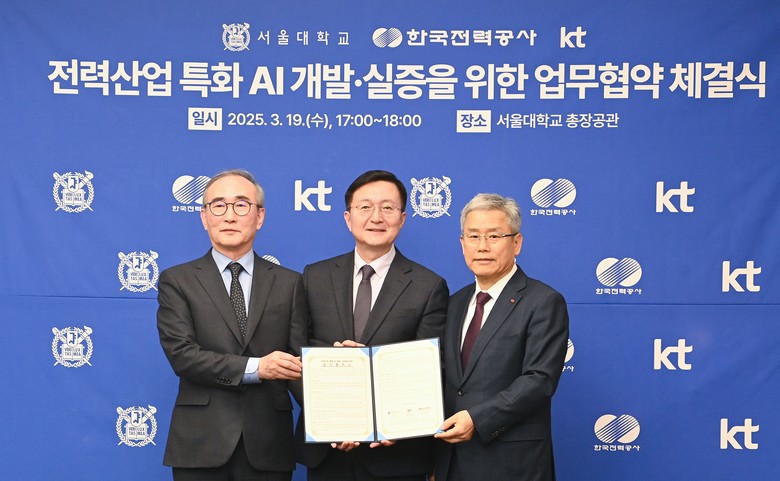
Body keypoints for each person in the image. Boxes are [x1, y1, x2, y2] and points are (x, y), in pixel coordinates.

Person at [295, 170, 449, 481]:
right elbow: (296, 352)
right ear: (348, 217)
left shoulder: (428, 286)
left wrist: (395, 424)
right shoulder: (315, 277)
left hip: (396, 456)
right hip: (329, 451)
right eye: (365, 207)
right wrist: (332, 420)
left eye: (388, 208)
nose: (376, 217)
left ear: (402, 219)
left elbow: (431, 370)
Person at [157, 169, 307, 481]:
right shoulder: (178, 280)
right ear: (204, 217)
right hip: (200, 444)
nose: (229, 216)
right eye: (218, 205)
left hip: (269, 445)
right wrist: (257, 367)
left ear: (259, 216)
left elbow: (298, 364)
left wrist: (340, 421)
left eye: (241, 205)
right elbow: (183, 356)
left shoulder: (290, 283)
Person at [434, 193, 569, 481]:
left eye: (494, 236)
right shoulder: (454, 302)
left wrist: (476, 419)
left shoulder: (543, 301)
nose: (482, 246)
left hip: (512, 464)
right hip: (451, 462)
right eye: (473, 236)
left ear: (516, 243)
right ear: (462, 243)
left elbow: (539, 380)